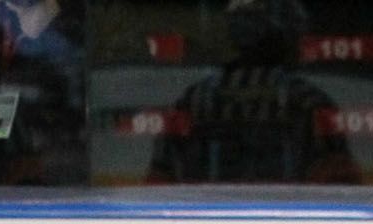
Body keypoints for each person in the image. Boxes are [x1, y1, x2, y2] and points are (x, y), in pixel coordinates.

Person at [147, 0, 361, 186]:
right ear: (285, 36)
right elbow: (340, 183)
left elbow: (160, 177)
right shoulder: (308, 100)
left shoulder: (193, 99)